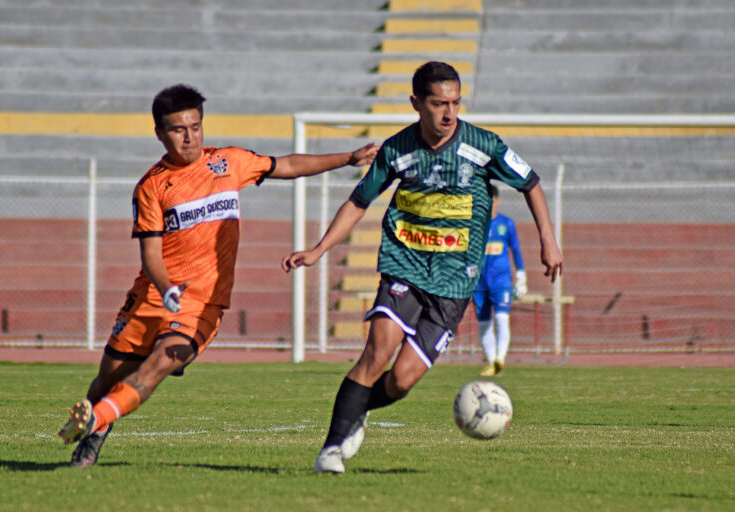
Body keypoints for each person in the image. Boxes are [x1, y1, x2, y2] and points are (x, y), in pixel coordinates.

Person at [57, 84, 379, 467]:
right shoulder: (152, 187)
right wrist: (165, 288)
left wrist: (348, 158)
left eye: (195, 126)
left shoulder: (228, 163)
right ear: (160, 133)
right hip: (152, 297)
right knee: (107, 380)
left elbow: (287, 165)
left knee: (158, 364)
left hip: (203, 303)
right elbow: (151, 256)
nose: (190, 136)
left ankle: (95, 423)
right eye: (178, 129)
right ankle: (96, 424)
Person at [281, 61, 563, 474]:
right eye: (438, 103)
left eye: (455, 102)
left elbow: (531, 182)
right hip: (404, 265)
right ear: (416, 103)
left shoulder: (483, 145)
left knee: (402, 381)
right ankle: (331, 449)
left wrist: (548, 241)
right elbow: (358, 202)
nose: (448, 113)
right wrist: (320, 248)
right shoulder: (397, 150)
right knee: (376, 353)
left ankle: (359, 410)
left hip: (455, 282)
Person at [472, 184, 527, 377]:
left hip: (500, 280)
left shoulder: (506, 223)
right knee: (484, 323)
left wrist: (521, 275)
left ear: (497, 200)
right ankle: (491, 362)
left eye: (491, 199)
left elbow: (516, 250)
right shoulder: (474, 223)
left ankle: (499, 360)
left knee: (502, 319)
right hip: (478, 282)